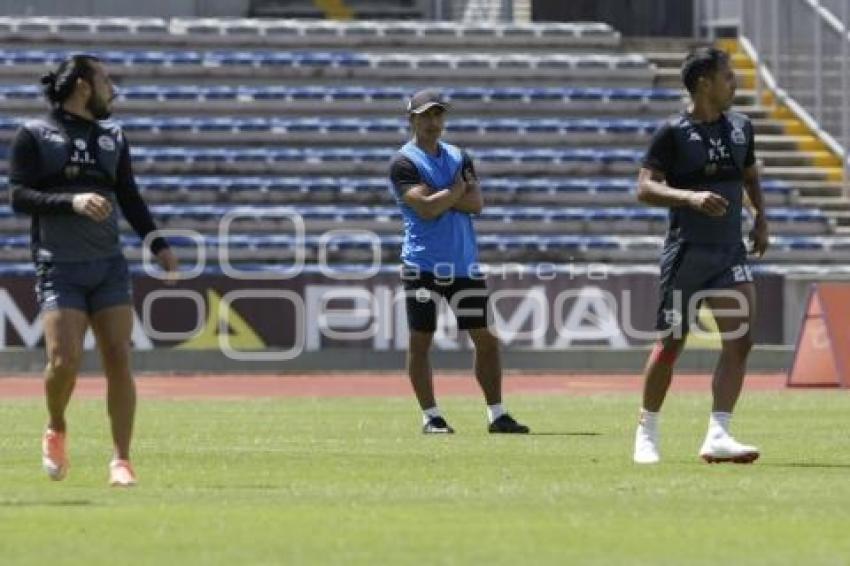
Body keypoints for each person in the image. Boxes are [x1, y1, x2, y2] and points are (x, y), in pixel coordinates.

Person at [8, 54, 179, 486]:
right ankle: (56, 426)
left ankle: (121, 459)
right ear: (83, 85)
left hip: (108, 266)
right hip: (58, 266)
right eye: (105, 80)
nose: (112, 89)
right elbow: (18, 197)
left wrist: (157, 243)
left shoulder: (113, 136)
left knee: (118, 357)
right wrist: (72, 201)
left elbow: (130, 196)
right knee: (63, 361)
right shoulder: (33, 135)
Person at [632, 47, 769, 464]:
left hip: (729, 251)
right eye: (728, 76)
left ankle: (718, 434)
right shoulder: (672, 133)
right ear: (704, 83)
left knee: (741, 339)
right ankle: (647, 431)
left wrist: (760, 217)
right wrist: (689, 197)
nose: (735, 83)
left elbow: (749, 176)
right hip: (687, 253)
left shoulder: (742, 127)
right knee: (672, 343)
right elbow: (644, 187)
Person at [388, 89, 529, 435]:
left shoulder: (459, 156)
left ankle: (497, 414)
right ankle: (431, 416)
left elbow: (476, 203)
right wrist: (454, 192)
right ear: (412, 120)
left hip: (462, 264)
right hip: (422, 265)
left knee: (486, 339)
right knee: (422, 340)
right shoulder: (403, 162)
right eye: (425, 115)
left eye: (438, 115)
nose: (433, 122)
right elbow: (426, 208)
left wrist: (444, 197)